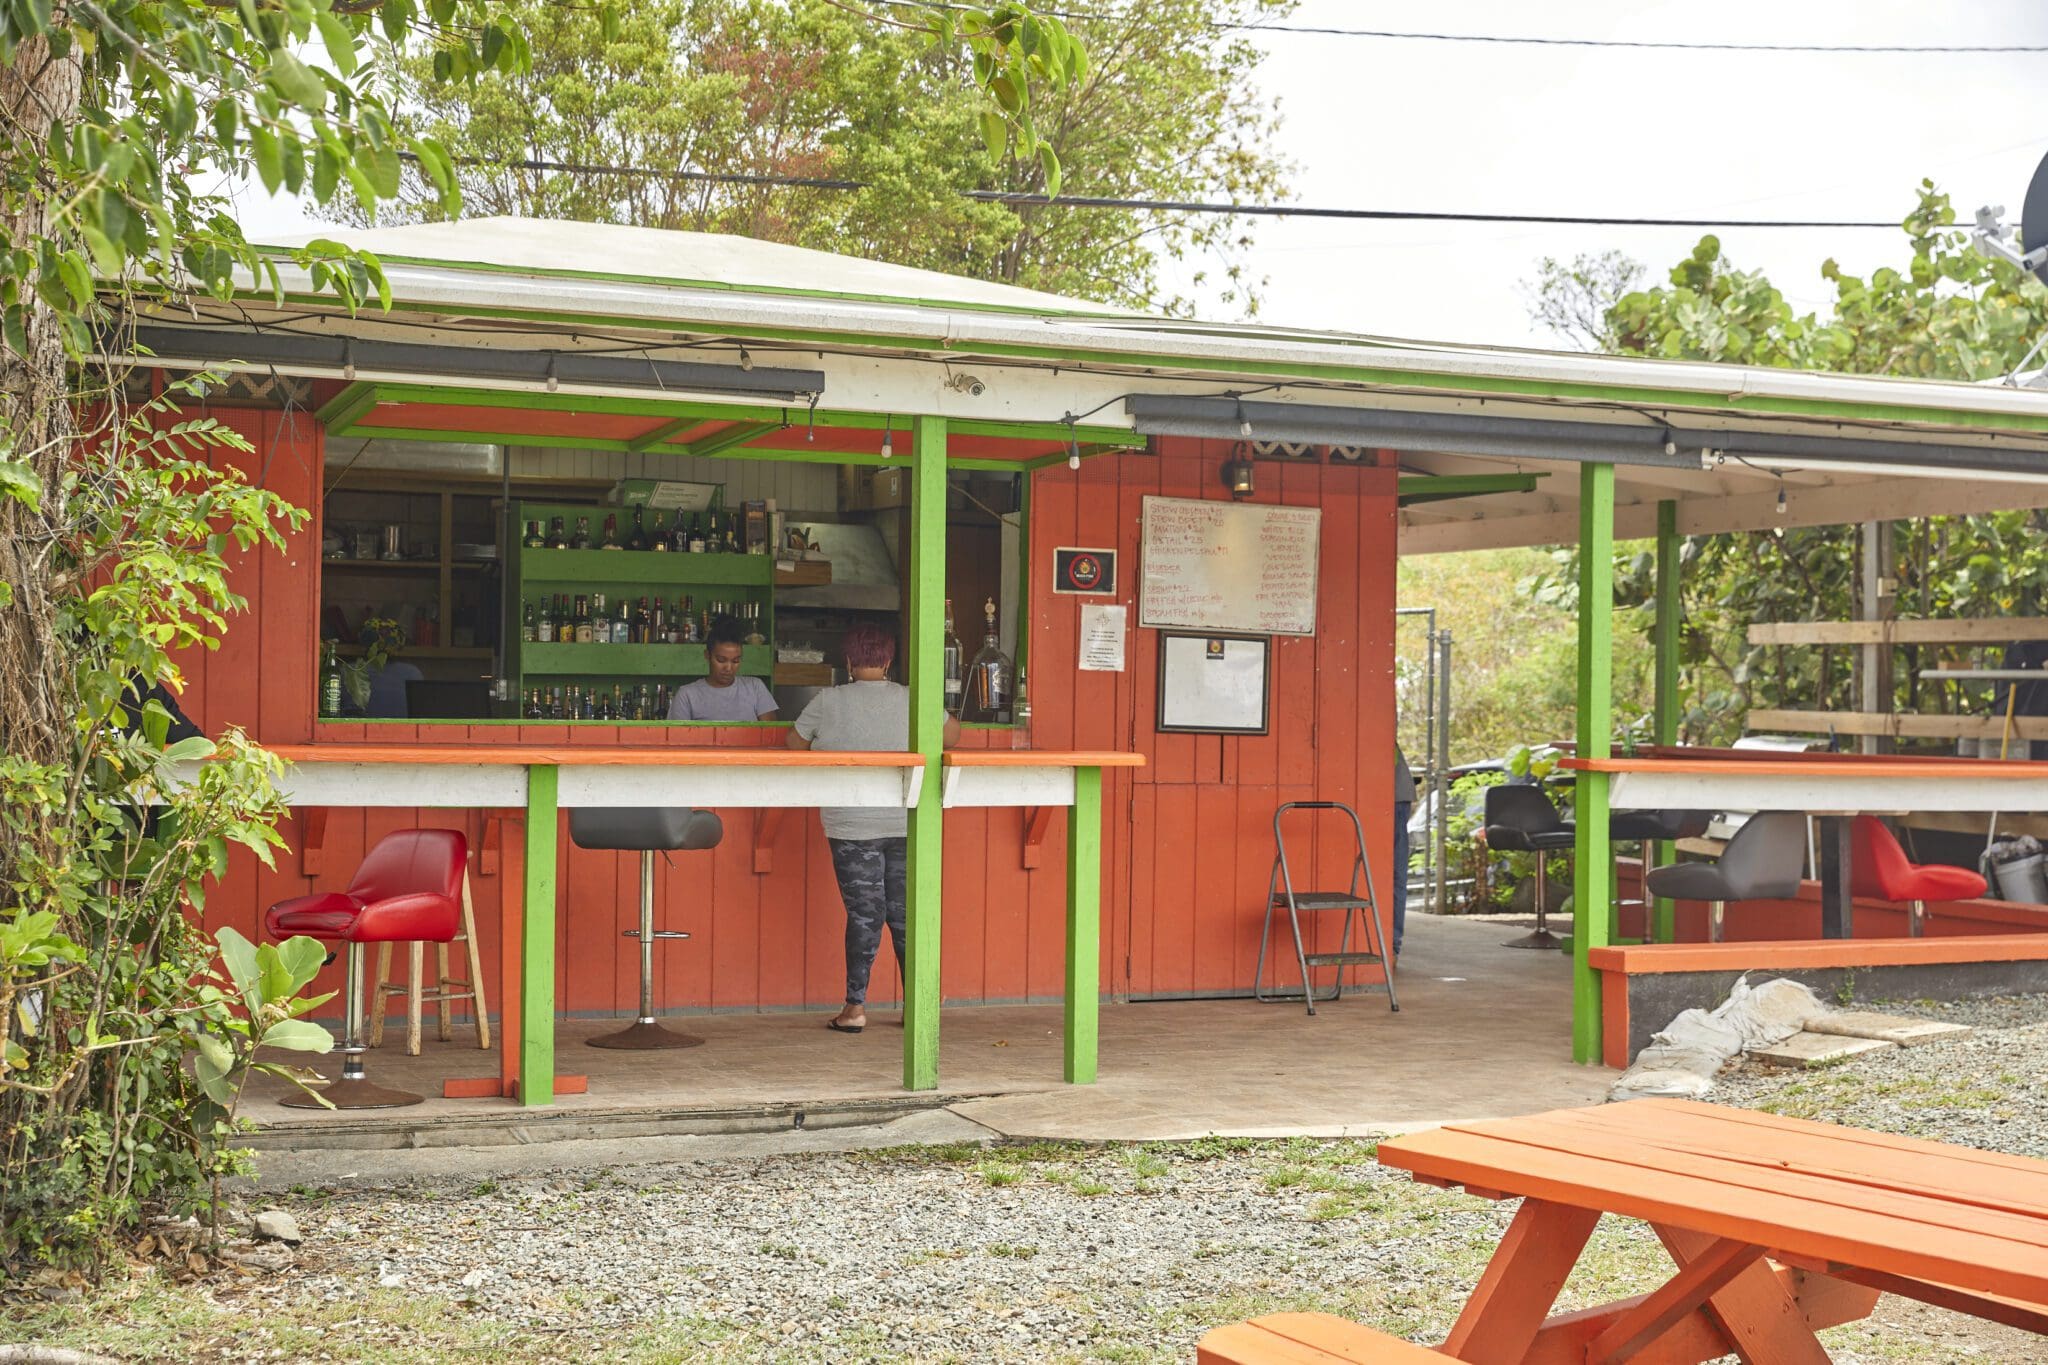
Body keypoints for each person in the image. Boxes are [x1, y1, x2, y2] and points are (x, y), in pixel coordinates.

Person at [787, 622, 959, 1033]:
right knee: (904, 915)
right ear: (888, 660)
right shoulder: (912, 698)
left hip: (851, 824)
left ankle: (855, 1008)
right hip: (905, 820)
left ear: (848, 660)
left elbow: (794, 744)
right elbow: (952, 735)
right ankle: (917, 1005)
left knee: (864, 915)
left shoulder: (827, 700)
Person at [668, 614, 779, 721]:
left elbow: (770, 735)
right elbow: (677, 739)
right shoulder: (687, 695)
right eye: (721, 660)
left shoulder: (755, 688)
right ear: (707, 655)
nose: (729, 668)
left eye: (735, 661)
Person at [1392, 744, 1416, 960]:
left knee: (1395, 877)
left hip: (1395, 796)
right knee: (1395, 877)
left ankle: (1393, 945)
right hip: (1397, 794)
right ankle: (1392, 944)